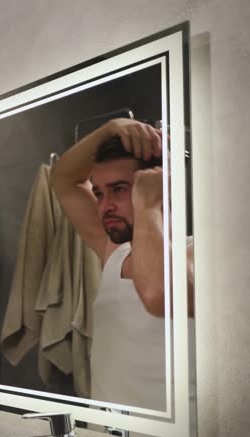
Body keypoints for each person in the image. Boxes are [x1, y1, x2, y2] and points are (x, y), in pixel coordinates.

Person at [50, 118, 193, 410]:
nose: (104, 206)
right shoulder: (114, 253)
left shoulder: (201, 255)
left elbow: (157, 294)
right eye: (100, 193)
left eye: (118, 189)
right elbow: (63, 179)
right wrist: (112, 128)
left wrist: (149, 203)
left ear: (158, 185)